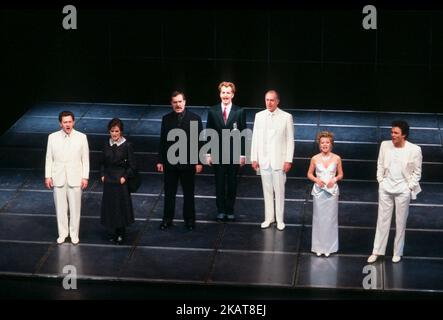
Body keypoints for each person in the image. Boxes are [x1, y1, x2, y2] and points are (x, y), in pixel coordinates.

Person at [368, 120, 422, 263]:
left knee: (400, 221)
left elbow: (417, 171)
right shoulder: (385, 145)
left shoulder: (414, 149)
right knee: (382, 220)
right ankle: (377, 251)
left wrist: (409, 186)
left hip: (402, 189)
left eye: (396, 133)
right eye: (392, 132)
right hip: (386, 187)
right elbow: (380, 163)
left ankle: (397, 252)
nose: (392, 135)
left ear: (403, 135)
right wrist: (380, 180)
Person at [156, 91, 203, 231]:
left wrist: (199, 162)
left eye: (180, 101)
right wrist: (160, 160)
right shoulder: (166, 119)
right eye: (175, 102)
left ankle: (189, 220)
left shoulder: (195, 118)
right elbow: (163, 141)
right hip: (170, 163)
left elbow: (199, 142)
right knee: (169, 193)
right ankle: (167, 219)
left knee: (189, 194)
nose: (178, 104)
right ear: (171, 103)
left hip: (188, 163)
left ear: (185, 102)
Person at [250, 90, 294, 231]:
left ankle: (280, 219)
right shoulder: (259, 116)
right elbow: (255, 138)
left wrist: (288, 160)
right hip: (264, 160)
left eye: (272, 100)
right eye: (267, 100)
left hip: (279, 160)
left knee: (279, 191)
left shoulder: (286, 117)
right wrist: (254, 158)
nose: (269, 103)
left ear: (277, 101)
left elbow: (290, 140)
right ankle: (269, 218)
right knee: (267, 190)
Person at [45, 110, 89, 245]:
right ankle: (63, 233)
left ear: (73, 122)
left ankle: (74, 234)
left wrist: (85, 177)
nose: (68, 124)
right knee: (60, 208)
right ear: (60, 124)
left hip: (75, 177)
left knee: (75, 209)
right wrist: (48, 176)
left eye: (70, 122)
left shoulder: (81, 137)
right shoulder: (52, 137)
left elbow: (85, 159)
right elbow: (49, 158)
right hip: (58, 177)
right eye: (65, 122)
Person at [206, 81, 246, 222]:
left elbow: (242, 134)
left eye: (228, 92)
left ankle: (230, 210)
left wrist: (242, 154)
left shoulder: (239, 111)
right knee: (219, 183)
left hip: (234, 154)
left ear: (233, 94)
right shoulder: (212, 111)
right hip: (218, 153)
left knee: (232, 183)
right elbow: (209, 132)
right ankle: (221, 210)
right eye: (223, 92)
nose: (225, 95)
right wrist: (208, 153)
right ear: (220, 94)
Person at [307, 131, 343, 257]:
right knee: (318, 219)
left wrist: (334, 180)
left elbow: (340, 174)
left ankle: (329, 247)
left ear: (331, 144)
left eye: (327, 142)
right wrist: (317, 180)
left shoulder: (337, 158)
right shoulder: (315, 158)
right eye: (322, 142)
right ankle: (318, 246)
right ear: (319, 144)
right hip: (319, 192)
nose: (325, 144)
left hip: (332, 192)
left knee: (330, 219)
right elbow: (309, 174)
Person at [100, 118, 136, 245]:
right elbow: (103, 162)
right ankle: (114, 231)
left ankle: (121, 232)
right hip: (109, 180)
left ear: (121, 131)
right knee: (111, 207)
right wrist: (102, 174)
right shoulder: (106, 144)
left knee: (120, 207)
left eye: (116, 131)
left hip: (120, 181)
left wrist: (124, 177)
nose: (114, 134)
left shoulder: (127, 145)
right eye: (112, 131)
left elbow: (133, 166)